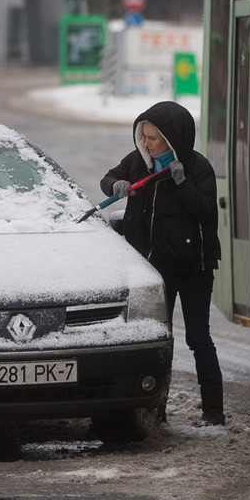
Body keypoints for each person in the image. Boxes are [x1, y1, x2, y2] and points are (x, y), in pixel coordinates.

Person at [100, 100, 225, 426]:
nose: (147, 143)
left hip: (194, 268)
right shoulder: (139, 164)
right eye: (144, 136)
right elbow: (108, 179)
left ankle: (213, 414)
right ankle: (156, 411)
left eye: (153, 138)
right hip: (155, 270)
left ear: (171, 139)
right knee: (158, 340)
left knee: (199, 339)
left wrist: (181, 183)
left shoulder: (197, 168)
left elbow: (207, 211)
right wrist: (116, 185)